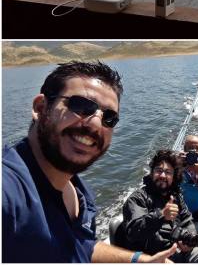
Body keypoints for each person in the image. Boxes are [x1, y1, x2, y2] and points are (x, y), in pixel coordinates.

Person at [2, 61, 177, 263]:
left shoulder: (81, 194)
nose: (95, 123)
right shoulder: (9, 193)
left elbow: (82, 245)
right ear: (41, 108)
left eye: (109, 117)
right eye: (81, 106)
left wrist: (140, 260)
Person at [123, 150, 198, 263]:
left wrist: (187, 240)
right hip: (151, 256)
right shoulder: (138, 198)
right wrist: (161, 215)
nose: (162, 175)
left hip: (176, 248)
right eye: (158, 170)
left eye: (168, 172)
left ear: (173, 177)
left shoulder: (175, 195)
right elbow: (133, 232)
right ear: (151, 173)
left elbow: (187, 220)